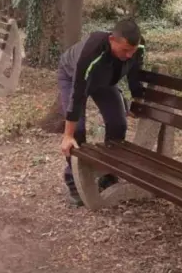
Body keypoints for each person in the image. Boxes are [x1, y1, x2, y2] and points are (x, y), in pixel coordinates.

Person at [58, 19, 146, 206]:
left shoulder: (137, 48)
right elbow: (78, 93)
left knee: (118, 123)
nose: (129, 55)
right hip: (73, 77)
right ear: (112, 39)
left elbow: (135, 74)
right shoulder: (92, 51)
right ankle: (74, 181)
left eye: (133, 50)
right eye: (125, 50)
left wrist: (137, 100)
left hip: (104, 81)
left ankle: (108, 173)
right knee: (78, 131)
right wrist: (67, 135)